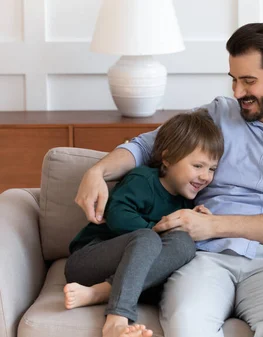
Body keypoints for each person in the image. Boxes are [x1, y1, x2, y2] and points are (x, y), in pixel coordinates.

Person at [74, 23, 263, 337]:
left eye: (248, 81)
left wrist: (212, 225)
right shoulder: (217, 114)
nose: (238, 92)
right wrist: (97, 172)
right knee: (186, 322)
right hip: (204, 258)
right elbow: (150, 145)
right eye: (234, 80)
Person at [64, 109, 224, 337]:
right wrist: (153, 229)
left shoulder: (185, 199)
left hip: (129, 275)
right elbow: (117, 214)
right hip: (89, 260)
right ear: (167, 159)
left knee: (184, 243)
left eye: (212, 169)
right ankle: (116, 320)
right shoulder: (142, 179)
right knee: (147, 238)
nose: (205, 176)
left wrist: (196, 217)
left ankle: (102, 292)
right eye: (198, 166)